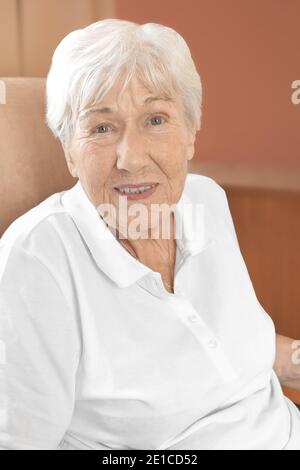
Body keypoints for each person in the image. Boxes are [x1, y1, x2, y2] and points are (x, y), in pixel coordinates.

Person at [0, 18, 299, 450]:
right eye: (102, 128)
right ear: (68, 149)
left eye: (155, 120)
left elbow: (229, 346)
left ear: (192, 133)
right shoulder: (36, 260)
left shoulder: (205, 201)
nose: (131, 159)